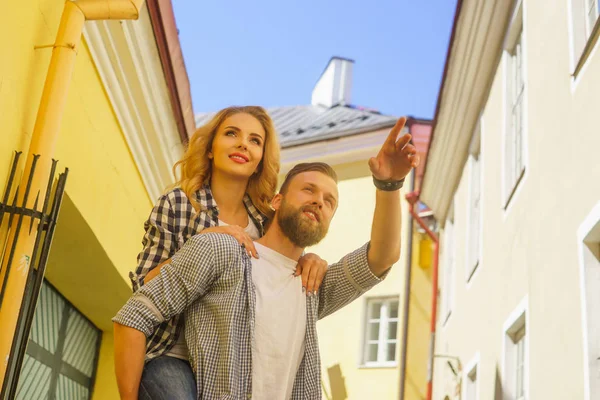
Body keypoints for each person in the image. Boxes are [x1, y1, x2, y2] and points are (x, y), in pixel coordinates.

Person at [114, 117, 419, 399]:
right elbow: (134, 315)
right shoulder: (224, 251)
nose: (318, 201)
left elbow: (382, 257)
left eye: (330, 201)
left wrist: (389, 186)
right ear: (277, 201)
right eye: (308, 190)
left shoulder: (313, 285)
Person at [129, 106, 328, 399]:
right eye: (231, 133)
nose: (242, 144)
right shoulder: (179, 204)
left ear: (260, 160)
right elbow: (143, 288)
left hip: (232, 365)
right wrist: (204, 241)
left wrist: (310, 259)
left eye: (255, 140)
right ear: (210, 148)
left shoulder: (262, 221)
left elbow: (282, 263)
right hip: (173, 352)